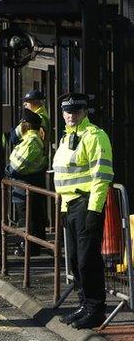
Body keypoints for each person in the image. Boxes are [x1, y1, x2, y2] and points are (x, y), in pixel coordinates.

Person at [54, 93, 113, 329]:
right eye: (67, 112)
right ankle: (83, 305)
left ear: (84, 112)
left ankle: (95, 309)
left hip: (86, 203)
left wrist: (94, 210)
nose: (71, 116)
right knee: (76, 261)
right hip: (69, 205)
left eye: (76, 111)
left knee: (88, 260)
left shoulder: (95, 136)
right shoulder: (66, 138)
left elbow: (102, 175)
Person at [5, 108, 47, 256]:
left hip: (25, 185)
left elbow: (16, 167)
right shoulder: (31, 139)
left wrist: (8, 169)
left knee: (27, 219)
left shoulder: (30, 141)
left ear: (25, 125)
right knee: (31, 218)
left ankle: (29, 248)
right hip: (27, 185)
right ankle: (30, 246)